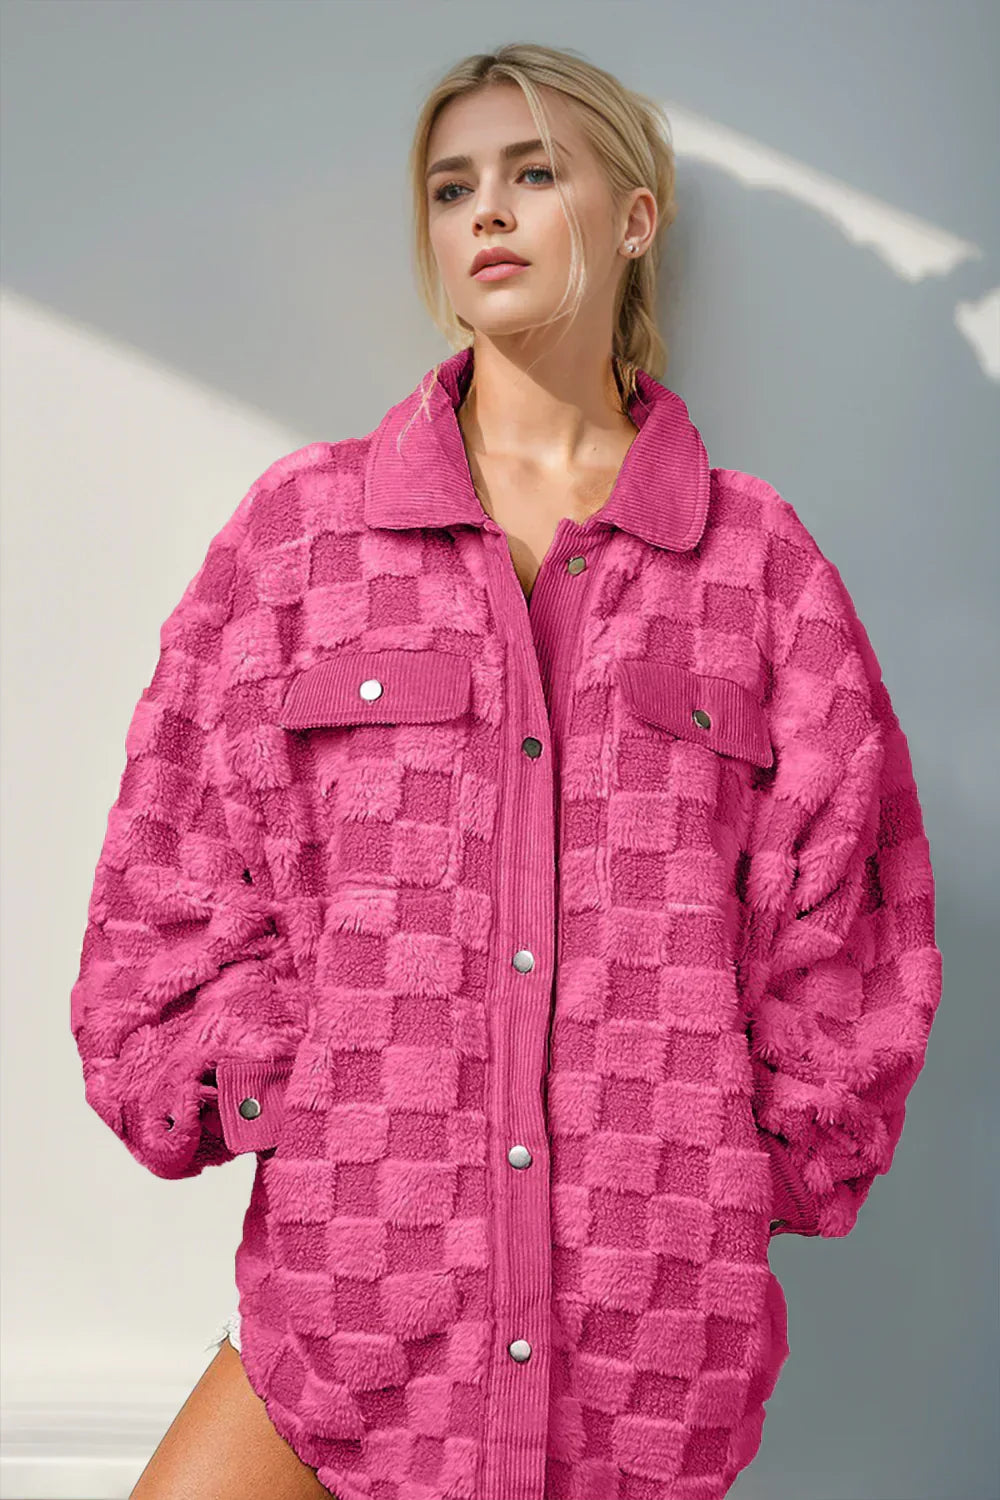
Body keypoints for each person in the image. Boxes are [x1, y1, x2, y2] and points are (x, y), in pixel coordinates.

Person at [72, 42, 942, 1500]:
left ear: (635, 218)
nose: (486, 209)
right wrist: (316, 1094)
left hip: (645, 1338)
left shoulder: (754, 567)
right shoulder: (308, 540)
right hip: (351, 1310)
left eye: (534, 172)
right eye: (450, 185)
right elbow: (172, 859)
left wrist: (725, 1156)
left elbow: (853, 919)